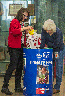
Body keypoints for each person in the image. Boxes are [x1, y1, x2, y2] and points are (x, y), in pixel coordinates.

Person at [1, 8, 32, 95]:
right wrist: (24, 28)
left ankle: (17, 87)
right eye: (24, 15)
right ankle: (4, 86)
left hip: (20, 47)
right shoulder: (14, 21)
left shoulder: (21, 23)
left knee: (19, 67)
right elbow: (14, 32)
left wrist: (26, 31)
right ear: (20, 14)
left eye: (26, 16)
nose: (25, 17)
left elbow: (20, 34)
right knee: (12, 66)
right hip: (14, 47)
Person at [40, 19, 64, 94]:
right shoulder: (44, 30)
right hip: (50, 50)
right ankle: (49, 85)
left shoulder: (58, 32)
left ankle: (57, 87)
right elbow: (43, 41)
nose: (47, 32)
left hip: (59, 50)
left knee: (58, 68)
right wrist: (41, 51)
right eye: (46, 30)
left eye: (49, 30)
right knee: (50, 67)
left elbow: (56, 44)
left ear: (52, 29)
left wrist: (49, 44)